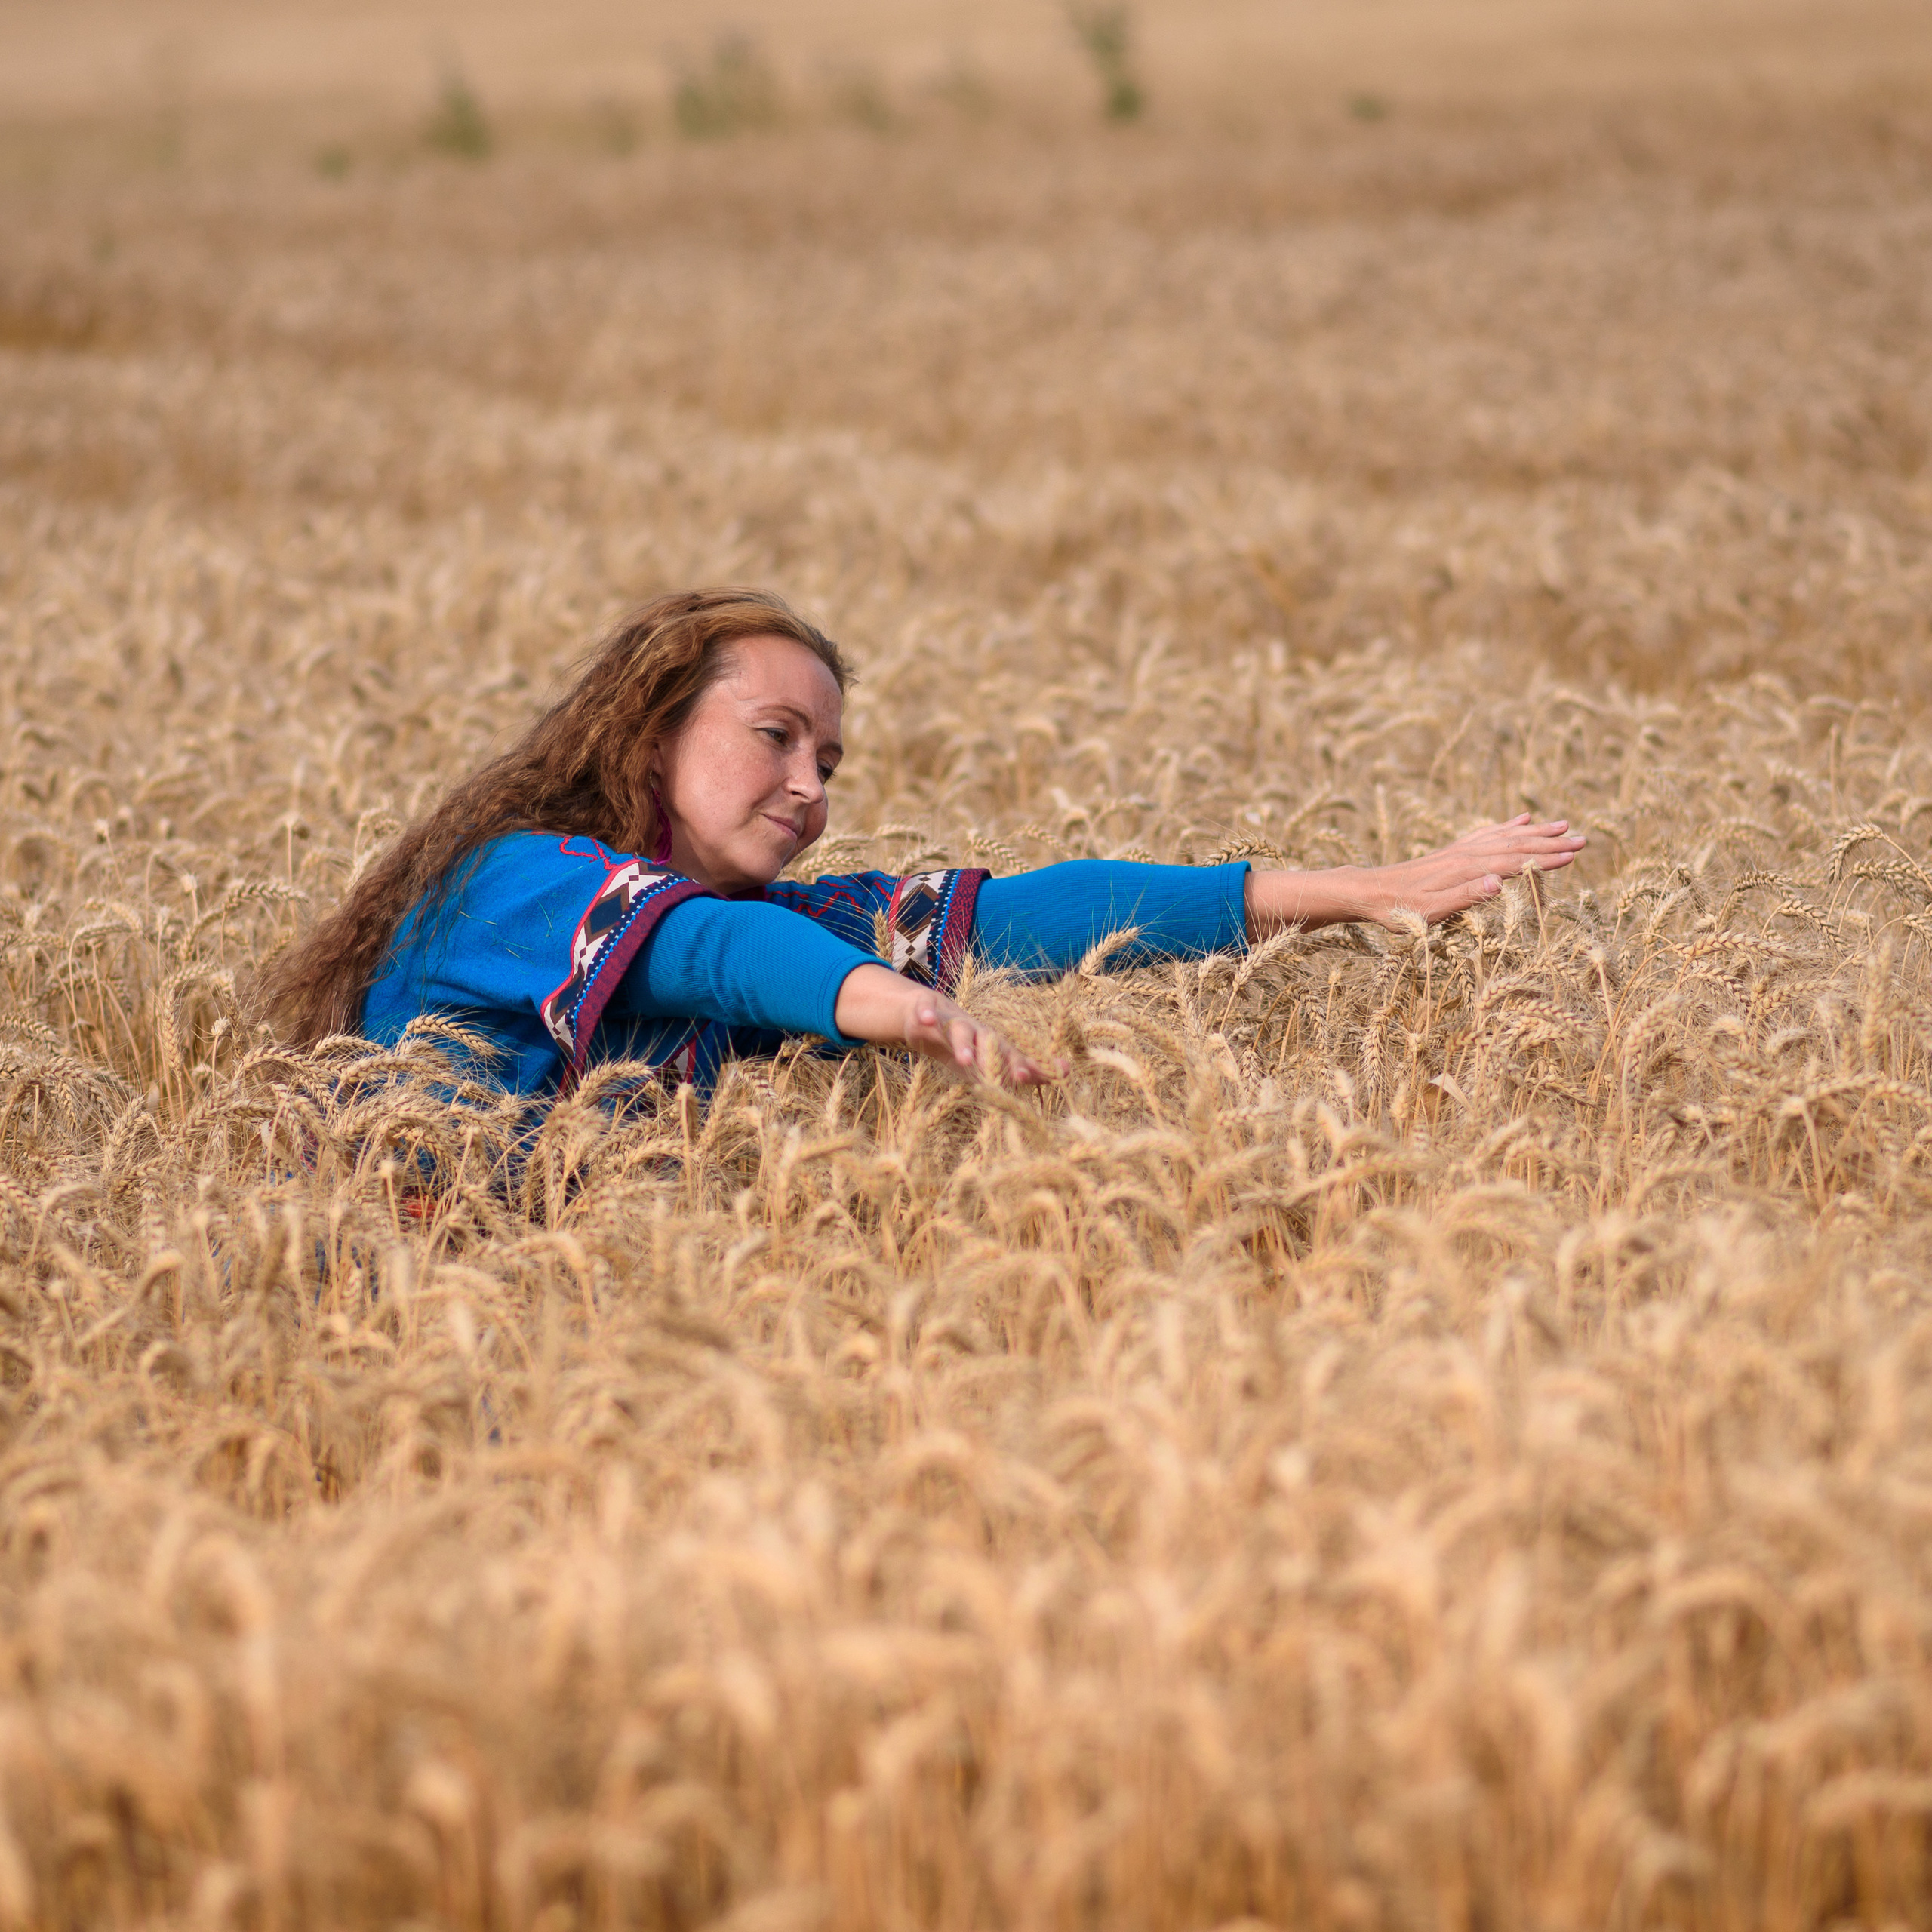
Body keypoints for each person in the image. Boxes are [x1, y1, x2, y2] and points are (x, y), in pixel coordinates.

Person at [254, 588, 1584, 1094]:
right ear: (650, 730)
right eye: (774, 736)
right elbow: (708, 956)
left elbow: (1033, 914)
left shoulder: (785, 926)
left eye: (828, 762)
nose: (807, 785)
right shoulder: (510, 881)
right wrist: (896, 1007)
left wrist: (1368, 890)